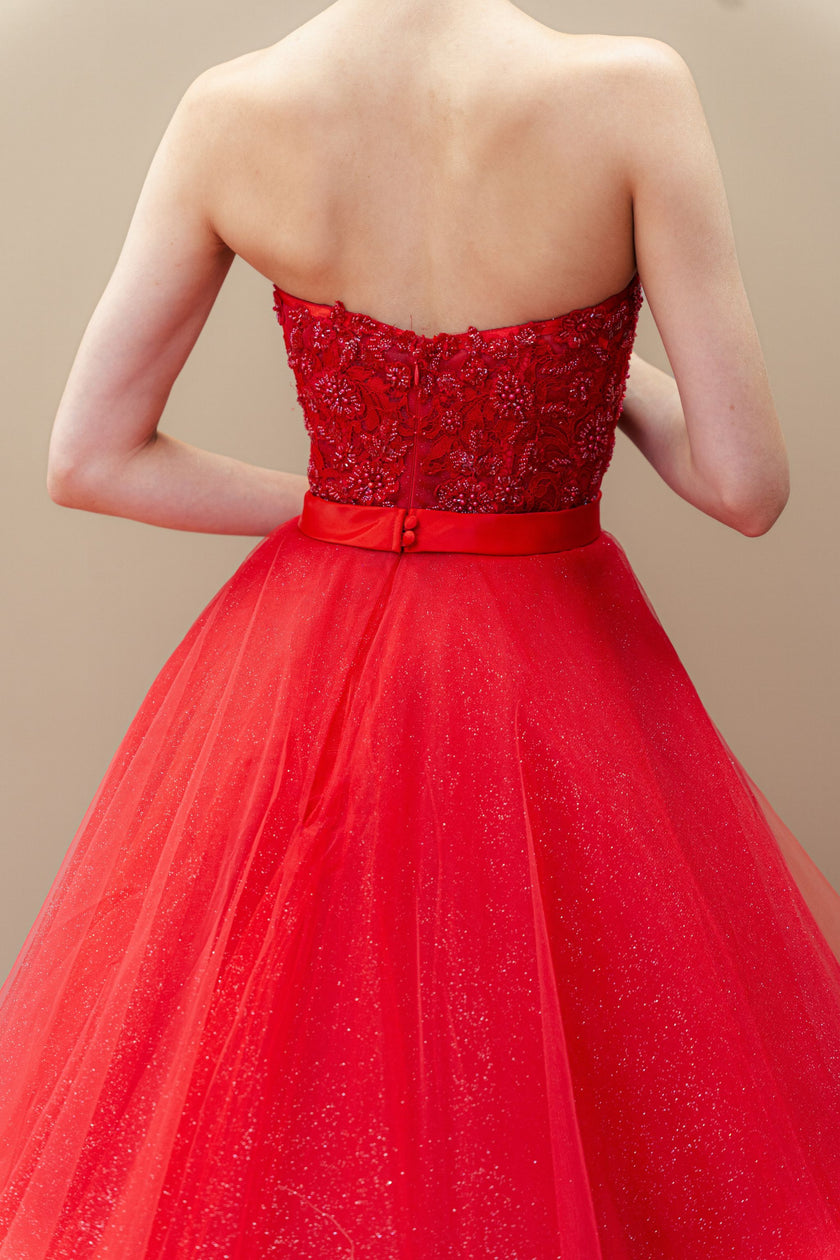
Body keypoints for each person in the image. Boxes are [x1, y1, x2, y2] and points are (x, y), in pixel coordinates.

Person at [2, 1, 839, 1256]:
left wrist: (356, 503)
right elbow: (746, 488)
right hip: (554, 674)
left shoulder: (233, 109)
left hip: (307, 667)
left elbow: (91, 457)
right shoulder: (629, 92)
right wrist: (578, 374)